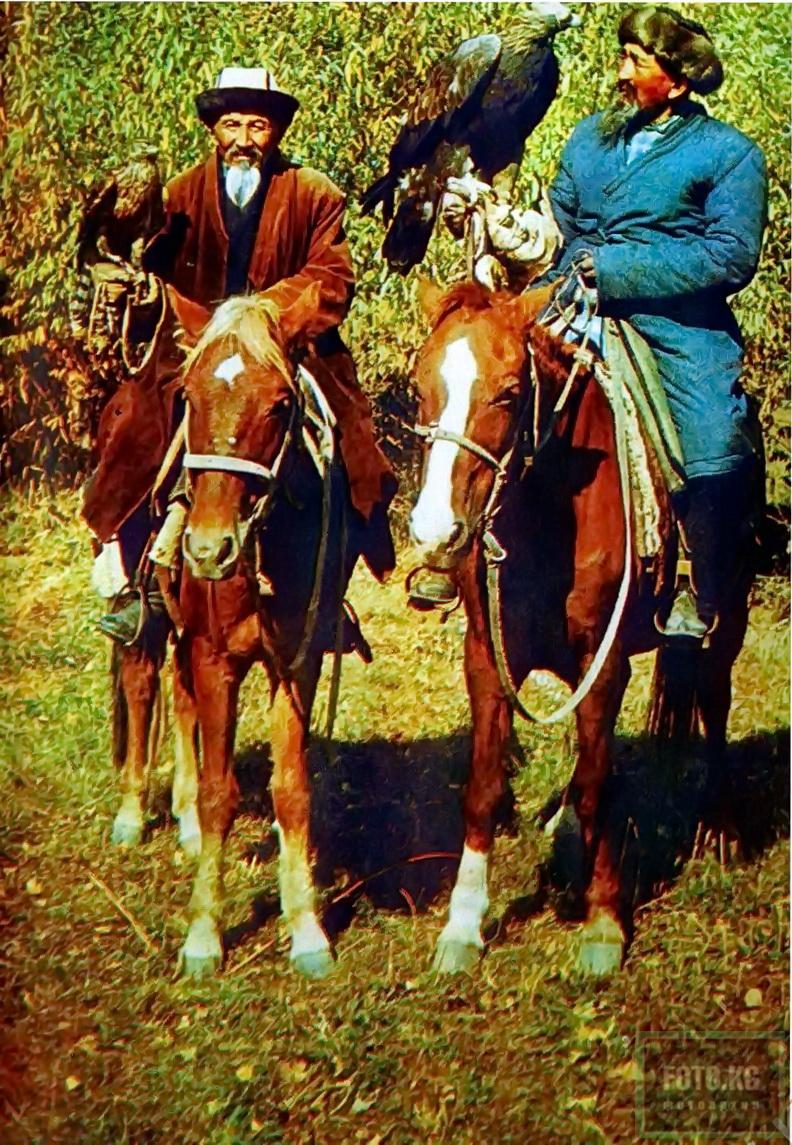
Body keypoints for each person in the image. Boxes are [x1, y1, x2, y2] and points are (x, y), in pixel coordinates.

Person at [94, 67, 397, 645]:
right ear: (213, 129)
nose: (243, 139)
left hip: (289, 342)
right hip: (193, 343)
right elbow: (155, 274)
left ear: (276, 131)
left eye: (257, 126)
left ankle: (329, 589)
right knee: (135, 430)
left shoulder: (314, 193)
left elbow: (331, 277)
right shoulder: (179, 195)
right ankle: (139, 584)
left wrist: (260, 319)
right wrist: (150, 297)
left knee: (355, 442)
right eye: (231, 125)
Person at [542, 5, 767, 637]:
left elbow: (730, 255)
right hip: (568, 299)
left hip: (676, 326)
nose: (620, 73)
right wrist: (508, 230)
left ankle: (700, 581)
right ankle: (463, 545)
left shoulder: (729, 155)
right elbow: (560, 221)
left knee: (713, 435)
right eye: (622, 57)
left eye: (635, 62)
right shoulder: (590, 137)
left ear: (676, 81)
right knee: (484, 376)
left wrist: (616, 270)